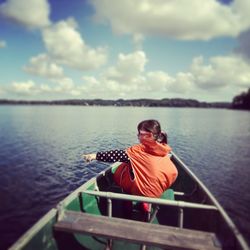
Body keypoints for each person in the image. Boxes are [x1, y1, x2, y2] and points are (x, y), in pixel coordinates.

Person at [82, 119, 178, 199]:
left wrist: (95, 156)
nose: (138, 135)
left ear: (149, 136)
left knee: (128, 166)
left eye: (140, 133)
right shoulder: (163, 149)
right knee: (133, 165)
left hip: (142, 193)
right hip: (157, 192)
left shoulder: (137, 152)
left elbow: (117, 155)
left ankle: (128, 204)